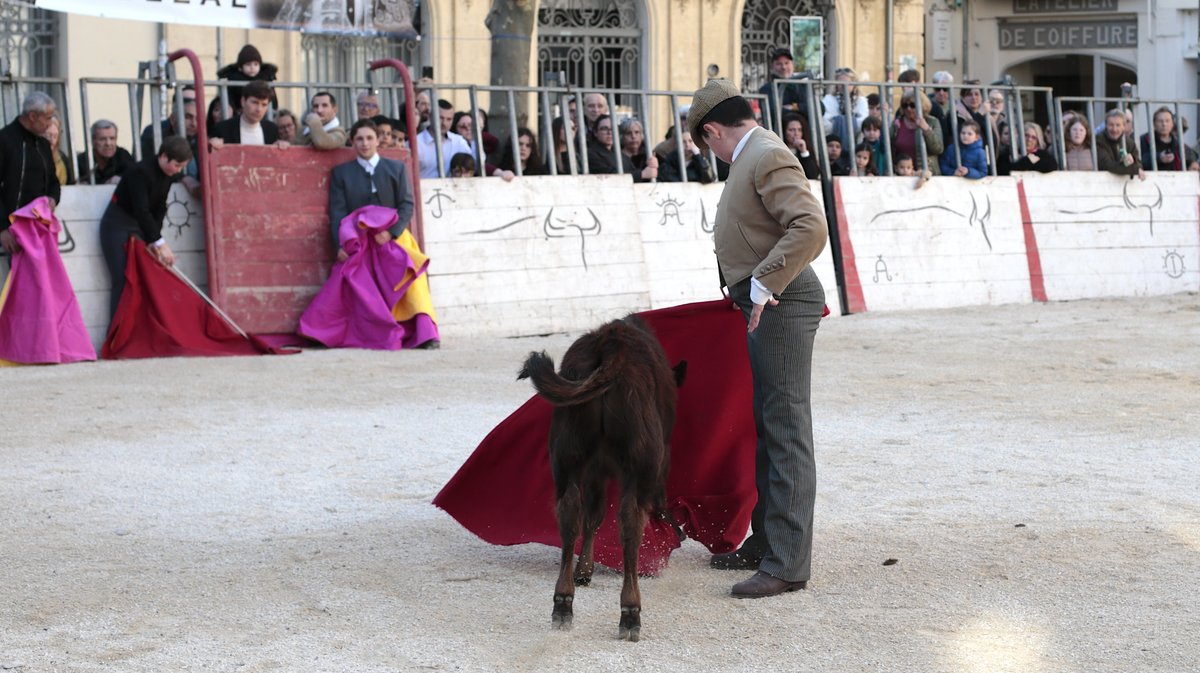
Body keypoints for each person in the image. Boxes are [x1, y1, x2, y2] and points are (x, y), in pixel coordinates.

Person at [687, 78, 827, 599]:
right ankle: (769, 540)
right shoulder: (760, 152)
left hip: (781, 301)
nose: (712, 155)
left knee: (786, 426)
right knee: (772, 423)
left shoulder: (764, 154)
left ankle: (788, 563)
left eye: (708, 146)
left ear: (713, 130)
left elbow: (810, 227)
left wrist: (765, 285)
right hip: (768, 300)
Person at [322, 118, 439, 349]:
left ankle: (426, 335)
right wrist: (340, 244)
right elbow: (337, 212)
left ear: (378, 140)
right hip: (361, 241)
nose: (364, 143)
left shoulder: (396, 168)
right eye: (359, 139)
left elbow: (406, 205)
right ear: (352, 142)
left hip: (395, 238)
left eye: (369, 138)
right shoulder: (341, 173)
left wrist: (392, 232)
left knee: (412, 282)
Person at [98, 136, 192, 320]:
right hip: (117, 226)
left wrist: (153, 241)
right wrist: (159, 242)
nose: (178, 171)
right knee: (123, 279)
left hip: (139, 227)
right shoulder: (140, 172)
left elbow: (159, 208)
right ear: (164, 156)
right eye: (177, 165)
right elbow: (142, 210)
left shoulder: (167, 174)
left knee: (147, 276)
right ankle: (117, 337)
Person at [1, 91, 61, 258]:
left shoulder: (43, 145)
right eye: (48, 118)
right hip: (13, 230)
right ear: (33, 116)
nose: (50, 124)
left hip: (40, 228)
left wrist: (52, 199)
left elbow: (54, 183)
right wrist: (2, 229)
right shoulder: (4, 140)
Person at [209, 81, 286, 148]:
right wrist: (212, 145)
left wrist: (282, 146)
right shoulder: (223, 129)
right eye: (255, 102)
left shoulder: (272, 130)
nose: (259, 109)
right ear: (243, 101)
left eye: (264, 104)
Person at [586, 114, 657, 181]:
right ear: (595, 132)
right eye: (604, 129)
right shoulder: (591, 154)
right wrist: (642, 174)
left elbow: (633, 171)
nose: (609, 132)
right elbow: (609, 176)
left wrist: (650, 165)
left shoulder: (618, 153)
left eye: (613, 128)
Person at [215, 44, 278, 115]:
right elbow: (230, 98)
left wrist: (273, 110)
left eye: (256, 64)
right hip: (239, 113)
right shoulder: (233, 79)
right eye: (248, 64)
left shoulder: (266, 78)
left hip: (263, 114)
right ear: (240, 67)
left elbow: (273, 98)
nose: (252, 67)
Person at [757, 47, 815, 124]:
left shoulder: (803, 86)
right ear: (772, 67)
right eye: (779, 64)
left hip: (806, 133)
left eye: (786, 63)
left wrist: (794, 107)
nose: (783, 67)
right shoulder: (766, 89)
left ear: (792, 65)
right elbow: (773, 113)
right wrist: (804, 109)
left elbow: (819, 108)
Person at [416, 99, 472, 178]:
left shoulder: (459, 142)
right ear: (430, 115)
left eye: (449, 119)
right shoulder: (415, 143)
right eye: (440, 118)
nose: (444, 123)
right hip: (423, 190)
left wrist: (473, 139)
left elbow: (475, 166)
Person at [890, 93, 943, 175]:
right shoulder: (897, 124)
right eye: (905, 105)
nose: (908, 109)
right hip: (902, 175)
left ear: (922, 105)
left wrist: (926, 129)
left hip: (927, 174)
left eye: (912, 105)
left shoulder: (932, 122)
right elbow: (886, 147)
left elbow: (938, 149)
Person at [1140, 107, 1199, 172]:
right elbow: (1139, 160)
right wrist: (1159, 157)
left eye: (1167, 121)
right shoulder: (1145, 139)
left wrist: (1192, 163)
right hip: (1151, 179)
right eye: (1160, 121)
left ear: (1172, 124)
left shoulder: (1177, 142)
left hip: (1175, 180)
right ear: (1154, 124)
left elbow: (1191, 155)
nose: (1164, 124)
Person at [821, 66, 869, 145]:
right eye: (840, 83)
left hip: (857, 144)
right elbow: (824, 124)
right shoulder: (828, 99)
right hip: (832, 143)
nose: (844, 86)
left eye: (848, 83)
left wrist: (837, 121)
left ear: (854, 85)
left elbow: (863, 124)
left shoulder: (861, 101)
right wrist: (843, 121)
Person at [78, 120, 135, 184]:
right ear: (93, 141)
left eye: (112, 138)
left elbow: (135, 178)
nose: (108, 143)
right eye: (102, 139)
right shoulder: (82, 161)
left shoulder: (122, 156)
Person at [1096, 108, 1144, 180]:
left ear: (1124, 127)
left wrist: (1132, 161)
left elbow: (1139, 164)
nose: (1114, 129)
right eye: (1111, 125)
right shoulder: (1099, 140)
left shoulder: (1129, 142)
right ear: (1106, 125)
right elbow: (1107, 165)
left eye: (1118, 125)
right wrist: (1134, 169)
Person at [781, 113, 820, 179]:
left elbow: (813, 175)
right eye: (791, 130)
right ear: (784, 132)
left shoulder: (807, 150)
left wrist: (804, 152)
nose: (796, 133)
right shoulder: (779, 150)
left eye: (799, 130)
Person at [43, 114, 74, 186]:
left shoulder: (62, 157)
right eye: (48, 135)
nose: (52, 140)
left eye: (55, 136)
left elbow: (69, 184)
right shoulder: (30, 156)